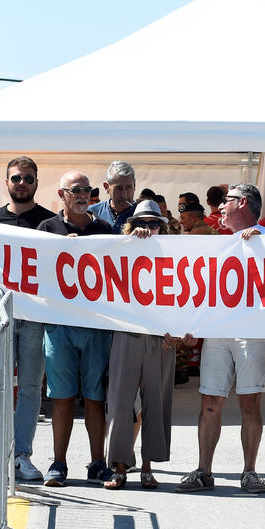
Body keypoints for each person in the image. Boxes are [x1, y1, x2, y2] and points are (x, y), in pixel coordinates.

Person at [176, 184, 265, 495]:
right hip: (219, 331)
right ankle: (204, 470)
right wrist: (193, 324)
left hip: (253, 332)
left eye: (225, 201)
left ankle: (249, 471)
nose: (219, 208)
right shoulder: (217, 244)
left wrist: (264, 246)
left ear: (242, 203)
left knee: (249, 401)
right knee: (210, 400)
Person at [103, 200, 195, 490]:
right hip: (126, 335)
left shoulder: (174, 253)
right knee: (120, 405)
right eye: (141, 222)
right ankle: (119, 467)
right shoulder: (120, 249)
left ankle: (147, 466)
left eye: (154, 223)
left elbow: (186, 293)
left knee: (155, 405)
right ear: (131, 225)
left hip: (161, 339)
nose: (148, 228)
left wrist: (180, 330)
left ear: (163, 225)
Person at [36, 171, 116, 487]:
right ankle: (59, 463)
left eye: (88, 190)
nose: (83, 195)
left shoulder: (104, 230)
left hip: (96, 325)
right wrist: (57, 249)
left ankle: (98, 463)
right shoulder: (46, 230)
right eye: (76, 190)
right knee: (63, 398)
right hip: (60, 325)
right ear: (62, 194)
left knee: (96, 398)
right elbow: (36, 271)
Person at [0, 156, 57, 482]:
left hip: (35, 318)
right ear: (7, 182)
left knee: (29, 387)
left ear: (37, 183)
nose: (22, 184)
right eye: (16, 178)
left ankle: (21, 455)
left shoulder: (52, 224)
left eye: (28, 179)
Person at [88, 160, 136, 233]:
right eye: (118, 188)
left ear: (134, 186)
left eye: (128, 187)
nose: (124, 194)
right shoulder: (91, 213)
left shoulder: (143, 215)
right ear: (106, 187)